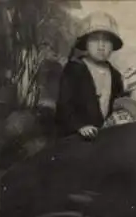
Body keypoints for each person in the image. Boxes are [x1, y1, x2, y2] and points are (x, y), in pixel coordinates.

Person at [55, 11, 124, 139]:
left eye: (107, 41)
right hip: (78, 136)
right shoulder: (74, 69)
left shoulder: (115, 76)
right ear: (86, 43)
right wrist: (79, 126)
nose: (101, 46)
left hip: (107, 137)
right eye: (95, 40)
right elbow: (64, 105)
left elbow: (120, 105)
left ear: (113, 45)